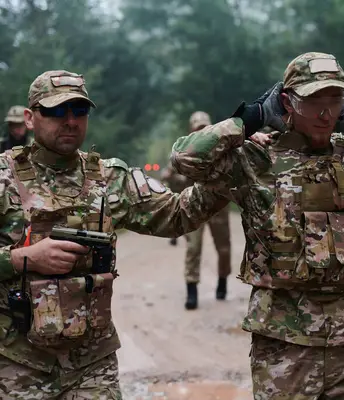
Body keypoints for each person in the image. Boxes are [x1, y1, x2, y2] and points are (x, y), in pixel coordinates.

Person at [171, 52, 344, 399]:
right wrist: (251, 119)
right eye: (313, 101)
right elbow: (185, 158)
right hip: (285, 348)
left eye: (335, 100)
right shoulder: (257, 161)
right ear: (287, 102)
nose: (325, 113)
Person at [0, 70, 228, 399]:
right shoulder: (5, 177)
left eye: (79, 111)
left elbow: (178, 215)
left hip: (92, 364)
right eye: (55, 111)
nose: (69, 121)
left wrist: (227, 172)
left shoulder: (110, 179)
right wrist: (23, 258)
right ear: (30, 117)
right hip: (18, 363)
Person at [162, 111, 232, 308]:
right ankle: (191, 290)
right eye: (197, 128)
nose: (201, 131)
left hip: (219, 204)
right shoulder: (186, 150)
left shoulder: (223, 148)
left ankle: (222, 281)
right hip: (195, 204)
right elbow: (171, 173)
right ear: (191, 130)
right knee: (193, 248)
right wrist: (175, 177)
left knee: (224, 247)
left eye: (204, 127)